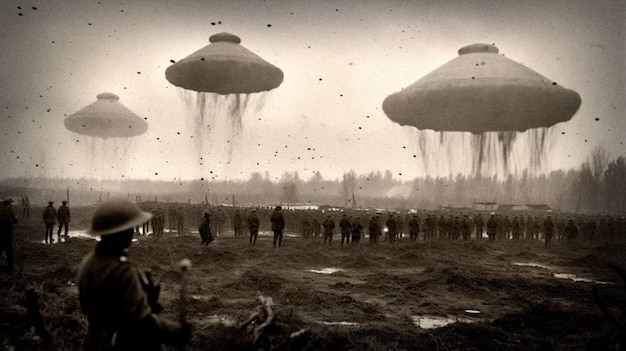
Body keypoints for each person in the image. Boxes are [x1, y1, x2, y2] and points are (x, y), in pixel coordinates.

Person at [78, 199, 191, 350]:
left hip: (94, 342)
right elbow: (142, 321)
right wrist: (174, 332)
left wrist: (146, 299)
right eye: (130, 228)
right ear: (121, 232)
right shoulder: (122, 270)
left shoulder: (88, 262)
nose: (132, 232)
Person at [0, 198, 18, 271]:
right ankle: (11, 267)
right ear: (9, 203)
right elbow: (15, 221)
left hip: (0, 233)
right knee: (9, 251)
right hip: (7, 233)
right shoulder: (10, 210)